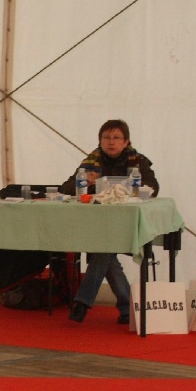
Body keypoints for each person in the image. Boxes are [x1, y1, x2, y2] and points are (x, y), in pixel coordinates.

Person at [58, 119, 159, 325]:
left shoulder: (138, 162)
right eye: (106, 137)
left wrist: (131, 187)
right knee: (105, 252)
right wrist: (83, 181)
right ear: (100, 140)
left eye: (116, 138)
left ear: (126, 141)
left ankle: (83, 302)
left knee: (103, 250)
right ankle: (126, 308)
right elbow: (65, 189)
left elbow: (153, 188)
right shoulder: (90, 161)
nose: (111, 142)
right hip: (95, 225)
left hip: (128, 226)